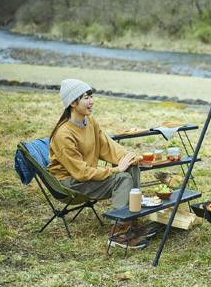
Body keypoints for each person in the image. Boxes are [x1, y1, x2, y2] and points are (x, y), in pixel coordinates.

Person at [48, 78, 147, 248]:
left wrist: (131, 158)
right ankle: (119, 232)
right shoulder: (63, 134)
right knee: (122, 178)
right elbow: (81, 173)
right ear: (72, 102)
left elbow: (107, 147)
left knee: (131, 169)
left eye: (91, 96)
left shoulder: (90, 122)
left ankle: (132, 221)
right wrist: (115, 170)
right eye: (86, 97)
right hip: (70, 184)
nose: (91, 101)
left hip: (86, 176)